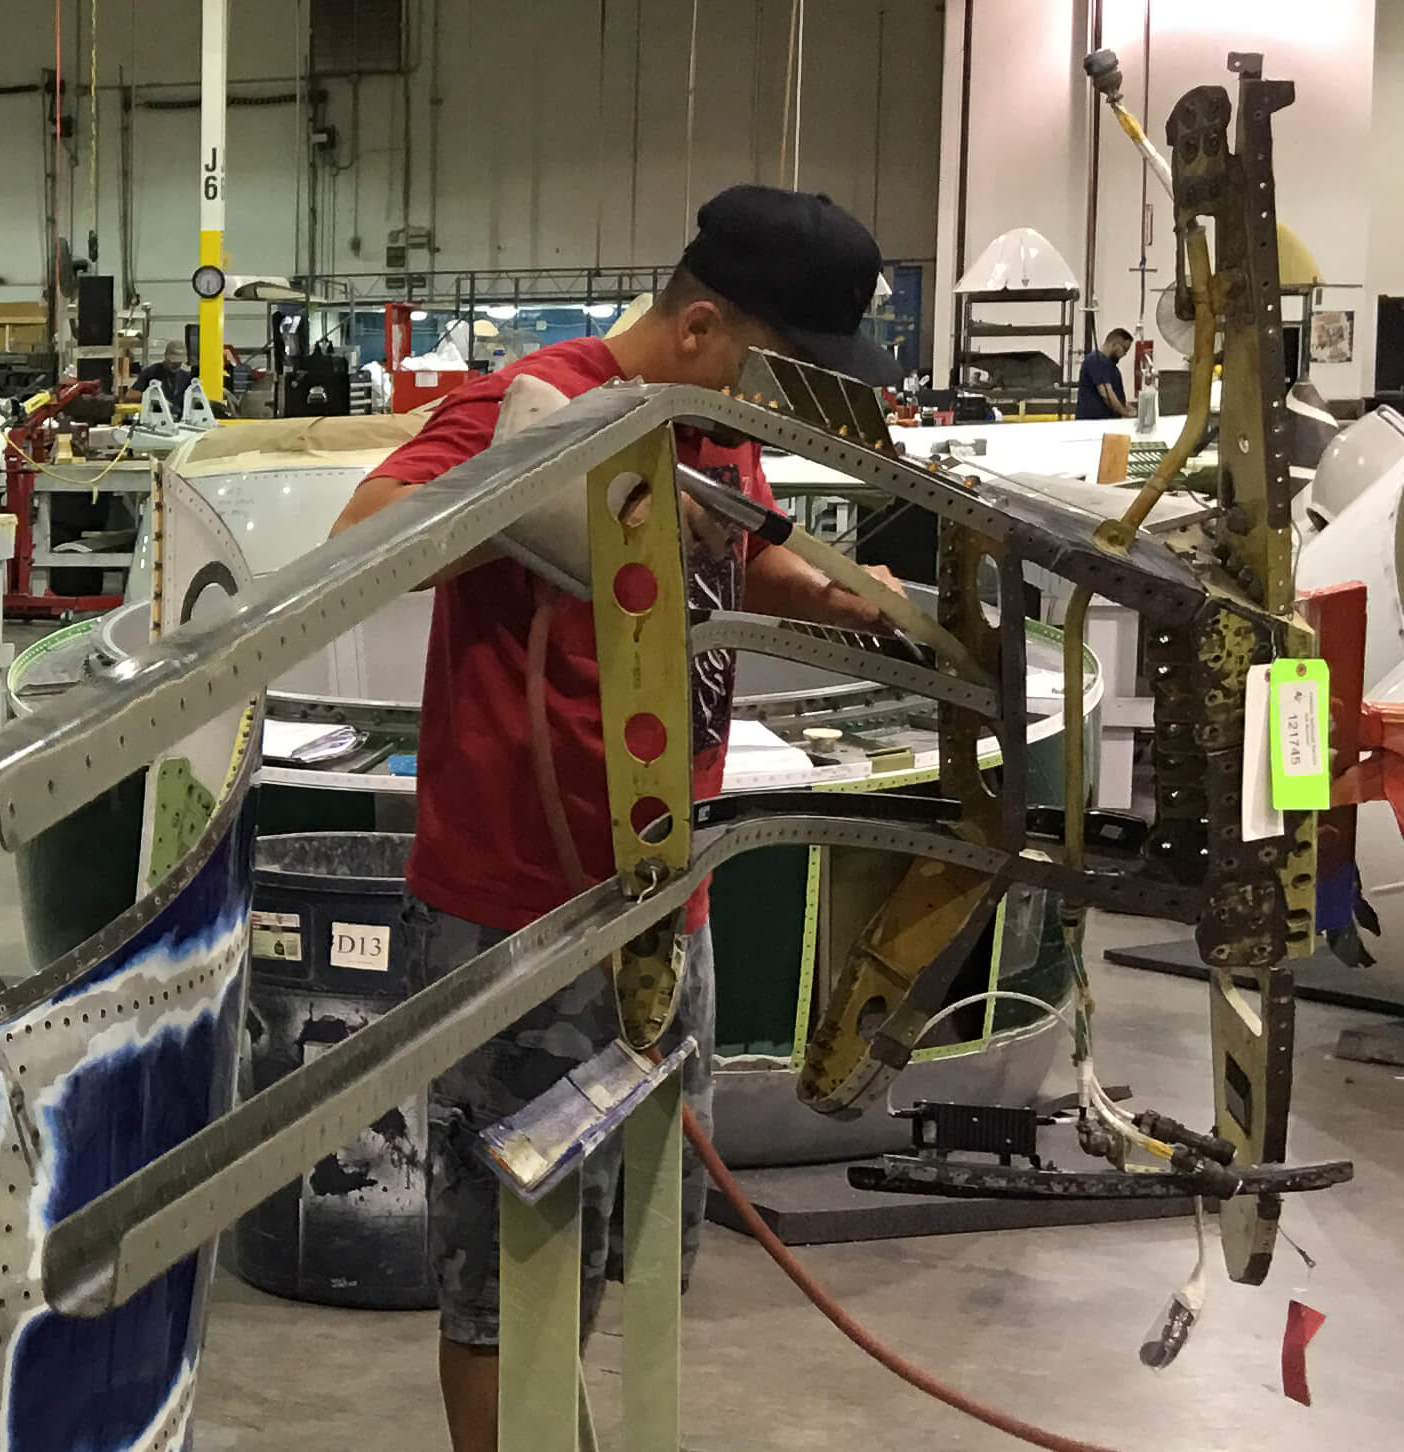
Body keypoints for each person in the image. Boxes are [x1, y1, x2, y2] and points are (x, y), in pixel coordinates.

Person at [329, 184, 906, 1452]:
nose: (787, 402)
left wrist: (850, 600)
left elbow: (729, 551)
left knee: (617, 1252)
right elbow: (365, 535)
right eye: (786, 370)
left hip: (664, 901)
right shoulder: (539, 396)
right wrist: (565, 478)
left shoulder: (712, 424)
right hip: (514, 924)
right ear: (701, 327)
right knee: (502, 1274)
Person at [1075, 327, 1134, 420]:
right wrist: (1125, 414)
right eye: (1125, 349)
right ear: (1115, 345)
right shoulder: (1096, 360)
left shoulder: (1110, 366)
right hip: (1094, 425)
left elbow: (1115, 395)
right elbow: (1106, 394)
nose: (1125, 354)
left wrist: (1128, 408)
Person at [126, 339, 193, 414]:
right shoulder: (151, 372)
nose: (176, 365)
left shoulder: (186, 377)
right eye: (173, 362)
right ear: (165, 356)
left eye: (179, 362)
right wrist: (155, 398)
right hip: (155, 418)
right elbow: (130, 396)